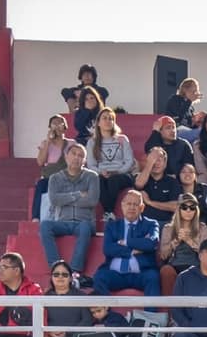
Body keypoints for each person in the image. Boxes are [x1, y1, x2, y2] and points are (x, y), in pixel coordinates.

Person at [40, 144, 101, 276]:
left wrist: (65, 199)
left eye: (81, 156)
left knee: (85, 227)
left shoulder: (92, 177)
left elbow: (92, 201)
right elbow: (55, 200)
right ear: (66, 156)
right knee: (45, 225)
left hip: (84, 222)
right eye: (73, 154)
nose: (76, 158)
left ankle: (74, 271)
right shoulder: (55, 178)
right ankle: (56, 266)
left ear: (84, 161)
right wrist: (78, 194)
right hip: (62, 221)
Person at [97, 189, 163, 298]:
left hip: (141, 273)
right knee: (100, 277)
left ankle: (150, 315)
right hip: (115, 274)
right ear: (122, 206)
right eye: (128, 204)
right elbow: (108, 249)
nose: (132, 207)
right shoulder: (112, 226)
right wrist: (132, 250)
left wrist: (126, 242)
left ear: (142, 208)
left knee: (153, 277)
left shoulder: (151, 224)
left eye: (135, 204)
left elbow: (151, 244)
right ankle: (106, 314)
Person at [87, 109, 138, 215]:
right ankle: (109, 213)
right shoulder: (92, 142)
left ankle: (108, 212)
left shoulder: (122, 139)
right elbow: (91, 165)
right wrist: (101, 172)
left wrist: (117, 171)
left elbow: (129, 161)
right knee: (97, 180)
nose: (108, 121)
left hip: (122, 174)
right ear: (98, 123)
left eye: (111, 118)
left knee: (113, 180)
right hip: (102, 173)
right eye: (104, 118)